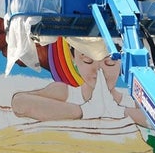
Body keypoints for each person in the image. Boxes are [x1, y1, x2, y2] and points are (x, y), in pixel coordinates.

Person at [10, 38, 148, 127]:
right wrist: (83, 111)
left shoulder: (131, 99)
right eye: (88, 60)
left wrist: (119, 111)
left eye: (109, 63)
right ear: (73, 58)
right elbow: (19, 103)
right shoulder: (67, 93)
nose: (98, 70)